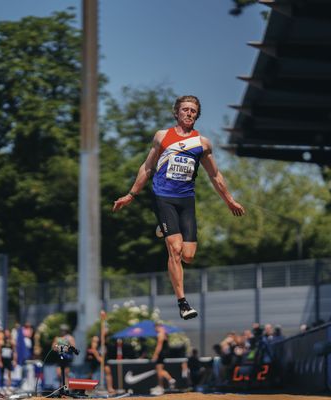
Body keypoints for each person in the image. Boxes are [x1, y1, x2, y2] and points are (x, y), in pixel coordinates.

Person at [112, 95, 245, 320]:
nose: (189, 113)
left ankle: (163, 229)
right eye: (185, 109)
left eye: (193, 111)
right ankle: (183, 303)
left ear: (197, 115)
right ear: (177, 112)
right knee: (174, 249)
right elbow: (147, 167)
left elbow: (215, 175)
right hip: (163, 197)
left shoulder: (202, 144)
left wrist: (229, 200)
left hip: (186, 201)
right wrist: (131, 194)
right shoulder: (162, 137)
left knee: (189, 256)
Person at [150, 324, 176, 396]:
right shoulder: (164, 334)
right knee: (159, 370)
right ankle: (168, 381)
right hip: (163, 354)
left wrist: (155, 354)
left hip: (161, 354)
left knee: (159, 370)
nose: (155, 330)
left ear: (159, 327)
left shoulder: (161, 334)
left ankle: (161, 386)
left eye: (156, 328)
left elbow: (159, 346)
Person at [53, 324, 76, 389]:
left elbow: (73, 347)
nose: (62, 332)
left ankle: (66, 388)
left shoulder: (70, 338)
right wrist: (58, 348)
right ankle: (61, 388)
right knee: (59, 373)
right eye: (61, 330)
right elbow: (53, 347)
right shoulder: (57, 338)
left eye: (64, 330)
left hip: (67, 358)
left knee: (65, 374)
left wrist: (66, 348)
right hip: (59, 358)